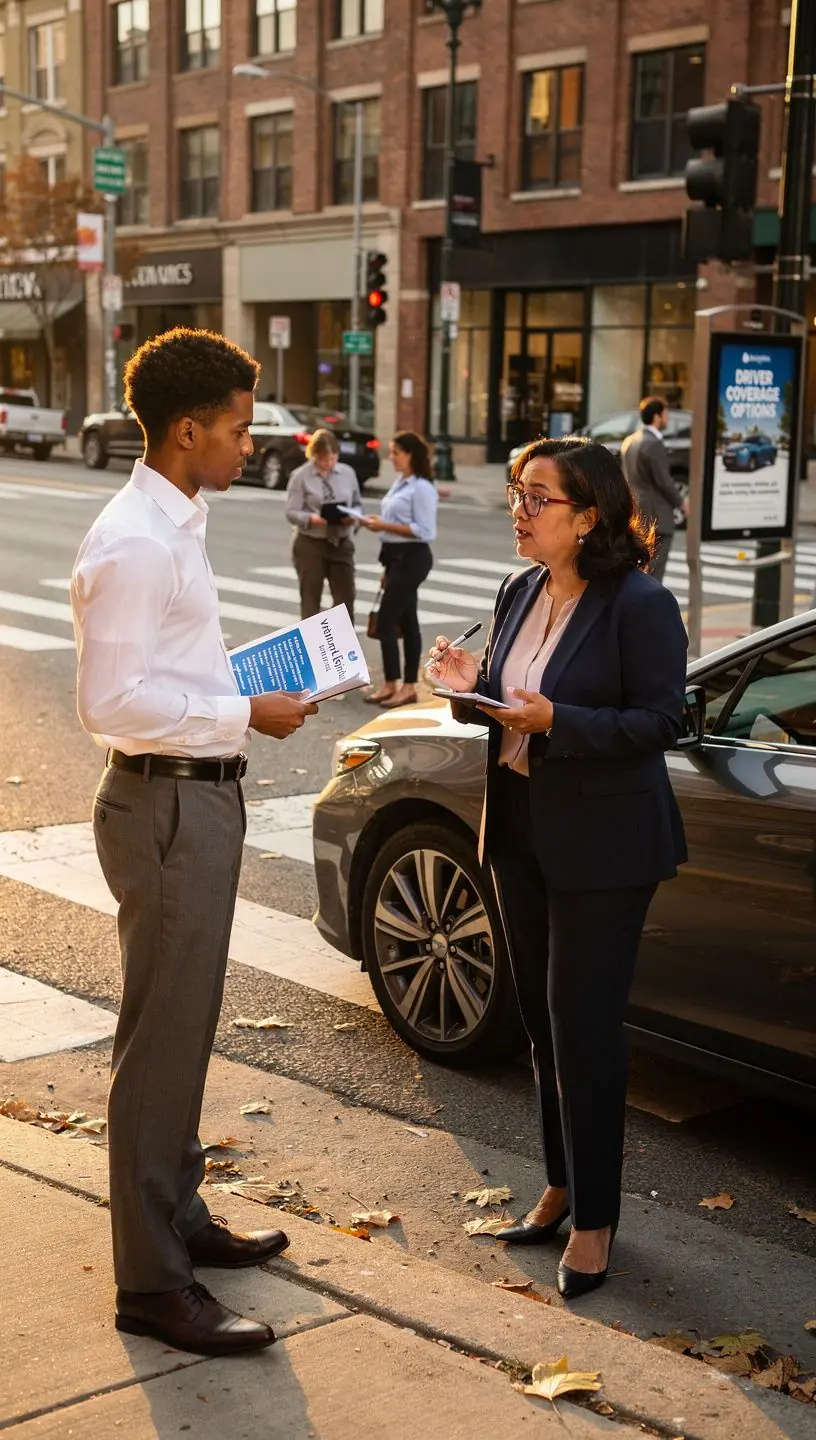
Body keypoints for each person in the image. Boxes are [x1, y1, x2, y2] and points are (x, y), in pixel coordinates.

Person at [70, 328, 318, 1357]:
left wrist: (241, 693)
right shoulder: (135, 539)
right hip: (164, 805)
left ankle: (178, 1218)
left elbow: (171, 663)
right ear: (185, 430)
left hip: (195, 799)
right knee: (159, 1047)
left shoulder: (181, 519)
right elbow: (108, 700)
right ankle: (151, 1287)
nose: (249, 444)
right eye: (237, 428)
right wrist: (243, 715)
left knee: (184, 1030)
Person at [427, 437, 688, 1300]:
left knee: (585, 1028)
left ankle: (598, 1220)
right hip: (522, 829)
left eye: (539, 496)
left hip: (606, 848)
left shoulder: (638, 604)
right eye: (517, 492)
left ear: (590, 516)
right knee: (541, 1023)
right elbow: (511, 708)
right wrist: (471, 689)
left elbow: (660, 722)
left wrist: (558, 723)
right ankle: (561, 1184)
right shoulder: (518, 589)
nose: (520, 509)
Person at [360, 430, 438, 708]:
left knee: (386, 623)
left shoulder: (422, 488)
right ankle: (403, 685)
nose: (391, 457)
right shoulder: (402, 483)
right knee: (407, 622)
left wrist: (383, 525)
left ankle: (398, 683)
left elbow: (425, 530)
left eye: (396, 452)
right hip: (395, 558)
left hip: (412, 558)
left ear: (410, 454)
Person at [285, 428, 361, 621]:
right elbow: (292, 511)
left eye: (333, 458)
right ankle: (313, 646)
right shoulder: (301, 476)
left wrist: (354, 517)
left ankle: (344, 647)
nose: (328, 463)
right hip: (311, 542)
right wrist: (310, 518)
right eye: (323, 459)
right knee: (311, 599)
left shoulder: (347, 473)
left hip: (341, 541)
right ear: (314, 455)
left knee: (345, 598)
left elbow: (357, 503)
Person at [620, 397, 688, 583]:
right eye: (666, 413)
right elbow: (663, 480)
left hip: (636, 511)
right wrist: (681, 502)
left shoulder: (629, 441)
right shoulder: (654, 443)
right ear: (657, 416)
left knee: (638, 566)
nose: (668, 418)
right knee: (655, 569)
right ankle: (649, 609)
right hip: (657, 513)